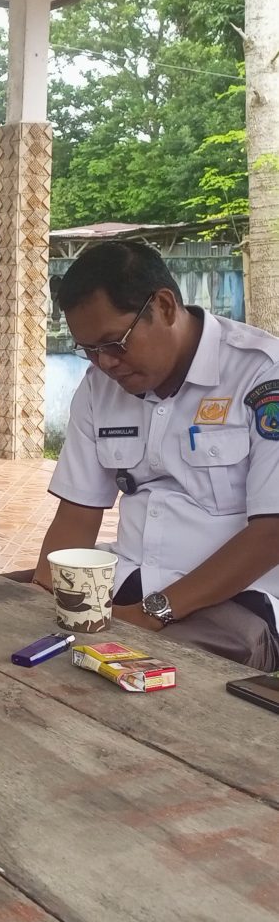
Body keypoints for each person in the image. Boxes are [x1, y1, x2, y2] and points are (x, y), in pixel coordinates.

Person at [29, 239, 279, 669]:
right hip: (127, 582)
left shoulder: (261, 374)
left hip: (239, 602)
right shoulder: (98, 387)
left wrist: (154, 612)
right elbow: (77, 514)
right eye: (89, 349)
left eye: (115, 343)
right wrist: (35, 598)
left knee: (143, 672)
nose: (105, 364)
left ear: (164, 306)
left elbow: (272, 532)